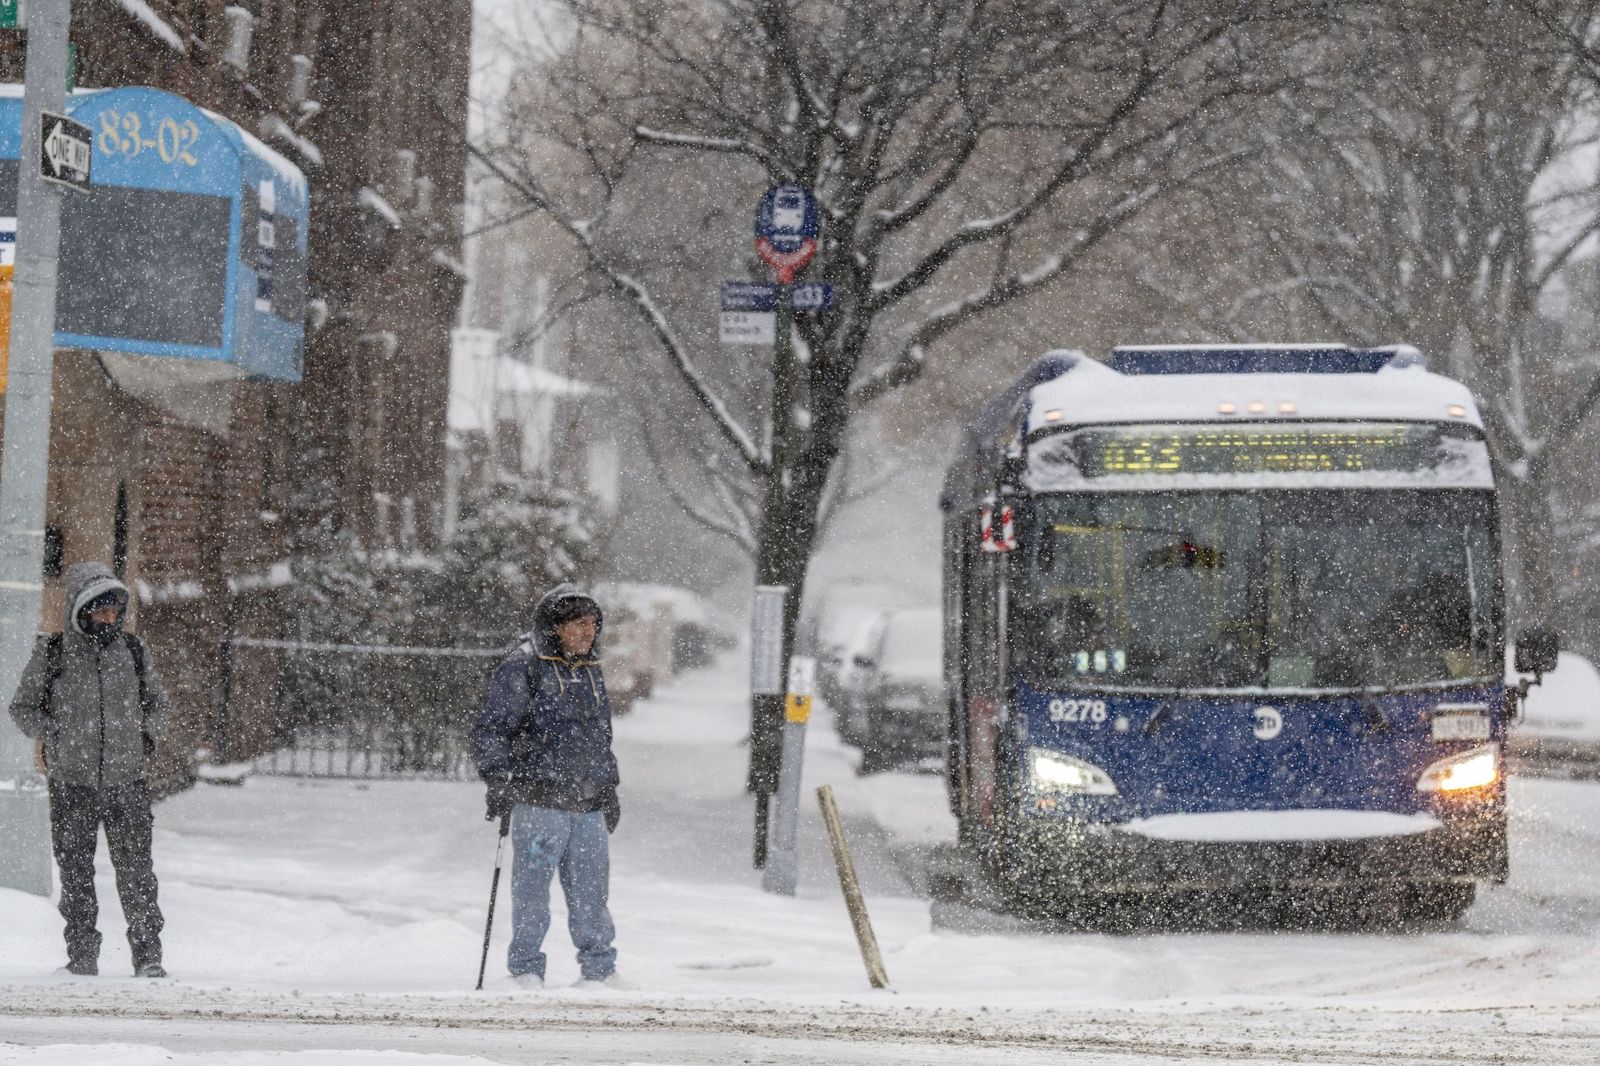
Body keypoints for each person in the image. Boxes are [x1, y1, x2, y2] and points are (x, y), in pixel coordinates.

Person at [7, 562, 173, 978]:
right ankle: (82, 955)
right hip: (72, 783)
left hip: (127, 782)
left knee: (136, 871)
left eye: (115, 612)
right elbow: (22, 707)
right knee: (76, 872)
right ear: (82, 609)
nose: (110, 619)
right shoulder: (54, 654)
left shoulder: (133, 653)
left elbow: (158, 704)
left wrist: (145, 739)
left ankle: (148, 955)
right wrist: (56, 734)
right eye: (101, 611)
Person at [471, 583, 622, 989]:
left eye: (592, 624)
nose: (587, 632)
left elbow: (600, 735)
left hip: (587, 803)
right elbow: (493, 730)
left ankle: (600, 972)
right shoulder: (522, 668)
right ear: (554, 627)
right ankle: (525, 970)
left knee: (592, 894)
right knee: (533, 893)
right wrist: (498, 778)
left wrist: (609, 785)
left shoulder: (591, 670)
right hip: (540, 801)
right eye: (577, 624)